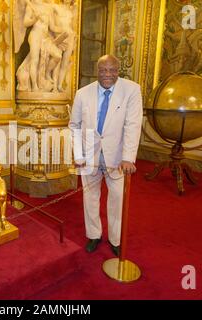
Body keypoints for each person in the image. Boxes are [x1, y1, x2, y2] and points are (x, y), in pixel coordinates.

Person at [68, 54, 143, 255]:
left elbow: (133, 125)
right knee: (90, 197)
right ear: (97, 71)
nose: (107, 74)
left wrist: (128, 157)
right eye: (103, 70)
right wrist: (78, 155)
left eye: (112, 70)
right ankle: (93, 235)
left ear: (118, 70)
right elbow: (74, 125)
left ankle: (115, 240)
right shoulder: (83, 93)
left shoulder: (132, 90)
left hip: (117, 158)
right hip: (88, 156)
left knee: (117, 198)